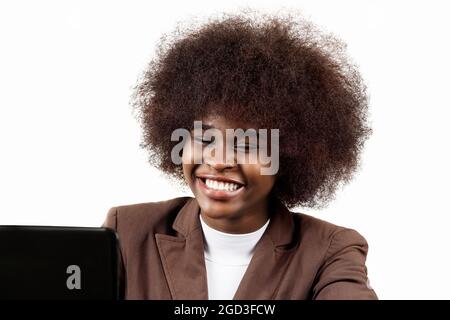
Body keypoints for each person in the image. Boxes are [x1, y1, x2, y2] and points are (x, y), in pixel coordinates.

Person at [103, 11, 378, 300]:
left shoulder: (330, 250)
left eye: (247, 144)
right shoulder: (128, 231)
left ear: (287, 154)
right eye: (204, 137)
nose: (219, 160)